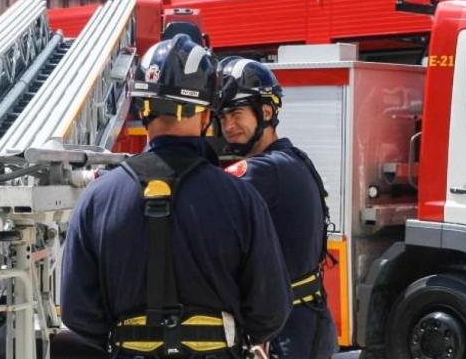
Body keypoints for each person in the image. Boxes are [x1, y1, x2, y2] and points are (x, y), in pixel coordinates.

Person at [60, 35, 292, 359]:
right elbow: (270, 313)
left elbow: (76, 312)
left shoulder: (96, 200)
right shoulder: (241, 199)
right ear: (207, 115)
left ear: (142, 108)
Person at [217, 57, 338, 358]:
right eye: (222, 117)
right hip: (305, 320)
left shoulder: (260, 171)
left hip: (286, 331)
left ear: (266, 111)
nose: (228, 126)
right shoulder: (294, 158)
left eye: (236, 113)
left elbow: (202, 199)